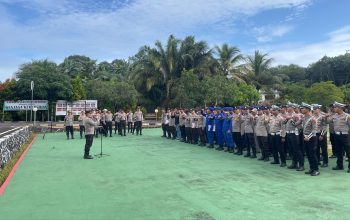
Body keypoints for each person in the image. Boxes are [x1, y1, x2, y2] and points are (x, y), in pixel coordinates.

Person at [298, 103, 320, 176]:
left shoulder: (313, 118)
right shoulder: (304, 118)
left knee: (312, 154)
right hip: (305, 138)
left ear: (307, 109)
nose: (301, 109)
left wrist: (308, 137)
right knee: (308, 154)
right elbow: (299, 125)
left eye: (303, 108)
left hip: (311, 139)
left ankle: (316, 170)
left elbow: (314, 130)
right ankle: (311, 168)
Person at [331, 101, 350, 173]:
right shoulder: (334, 116)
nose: (334, 108)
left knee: (348, 151)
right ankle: (339, 165)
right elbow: (327, 121)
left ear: (340, 108)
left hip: (345, 135)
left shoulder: (347, 116)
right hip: (337, 135)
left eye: (336, 107)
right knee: (339, 151)